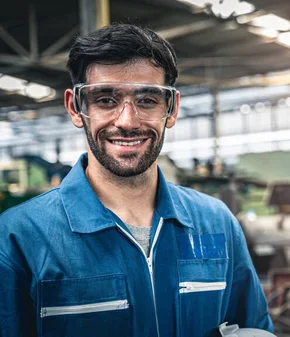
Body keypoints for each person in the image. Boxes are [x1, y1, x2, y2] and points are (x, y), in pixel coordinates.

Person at [0, 24, 273, 337]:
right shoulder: (19, 239)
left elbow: (253, 328)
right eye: (105, 100)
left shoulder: (215, 223)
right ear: (76, 108)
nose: (127, 121)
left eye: (146, 100)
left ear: (170, 109)